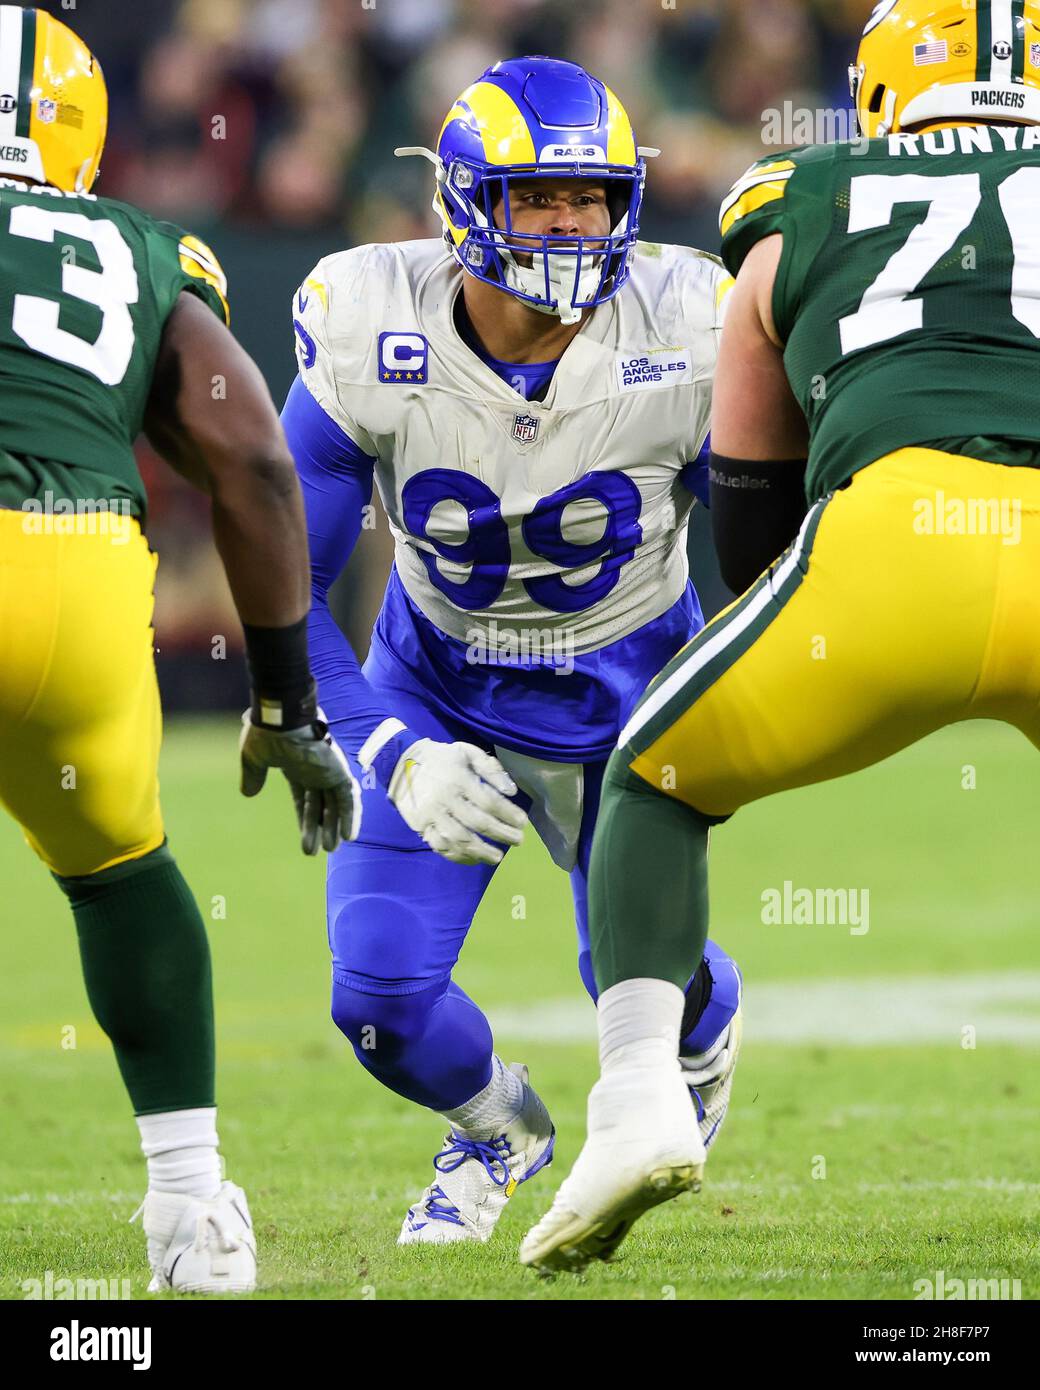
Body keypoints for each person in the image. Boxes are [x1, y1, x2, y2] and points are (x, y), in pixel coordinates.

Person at [521, 0, 1040, 1271]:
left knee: (650, 773)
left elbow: (748, 483)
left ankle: (638, 1099)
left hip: (892, 537)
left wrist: (794, 649)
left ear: (876, 89)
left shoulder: (800, 197)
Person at [283, 55, 744, 1245]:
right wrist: (389, 752)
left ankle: (708, 1017)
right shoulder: (368, 319)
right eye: (535, 195)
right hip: (437, 681)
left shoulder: (685, 319)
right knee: (376, 995)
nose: (567, 221)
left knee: (644, 987)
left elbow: (758, 540)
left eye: (588, 196)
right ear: (462, 200)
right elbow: (280, 590)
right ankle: (501, 1129)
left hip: (628, 693)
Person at [0, 6, 360, 1293]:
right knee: (121, 869)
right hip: (83, 583)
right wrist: (287, 704)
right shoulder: (140, 247)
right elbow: (255, 460)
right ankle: (195, 1215)